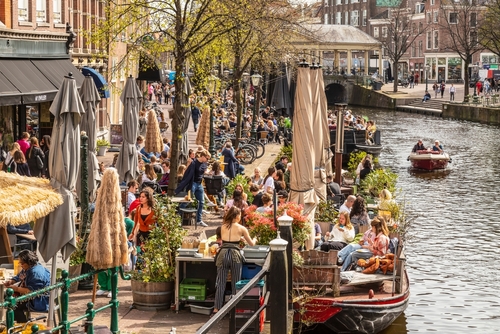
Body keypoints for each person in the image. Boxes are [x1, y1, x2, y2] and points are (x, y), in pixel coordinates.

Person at [213, 207, 256, 315]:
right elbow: (251, 244)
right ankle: (234, 307)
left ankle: (216, 309)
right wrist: (255, 239)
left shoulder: (222, 227)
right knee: (236, 283)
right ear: (237, 216)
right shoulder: (242, 228)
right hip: (235, 255)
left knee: (221, 282)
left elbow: (226, 239)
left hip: (223, 254)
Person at [2, 250, 50, 323]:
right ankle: (13, 321)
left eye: (22, 263)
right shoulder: (28, 267)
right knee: (4, 295)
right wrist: (12, 281)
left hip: (39, 300)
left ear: (29, 262)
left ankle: (21, 324)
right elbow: (20, 276)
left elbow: (31, 291)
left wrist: (16, 289)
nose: (20, 265)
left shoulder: (36, 273)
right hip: (31, 296)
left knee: (14, 304)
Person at [175, 150, 211, 227]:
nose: (207, 160)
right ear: (203, 156)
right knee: (188, 200)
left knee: (201, 202)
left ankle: (199, 220)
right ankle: (177, 217)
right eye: (207, 158)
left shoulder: (204, 163)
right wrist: (188, 163)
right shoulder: (194, 162)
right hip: (193, 183)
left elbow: (204, 171)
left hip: (199, 184)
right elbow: (187, 172)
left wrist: (208, 172)